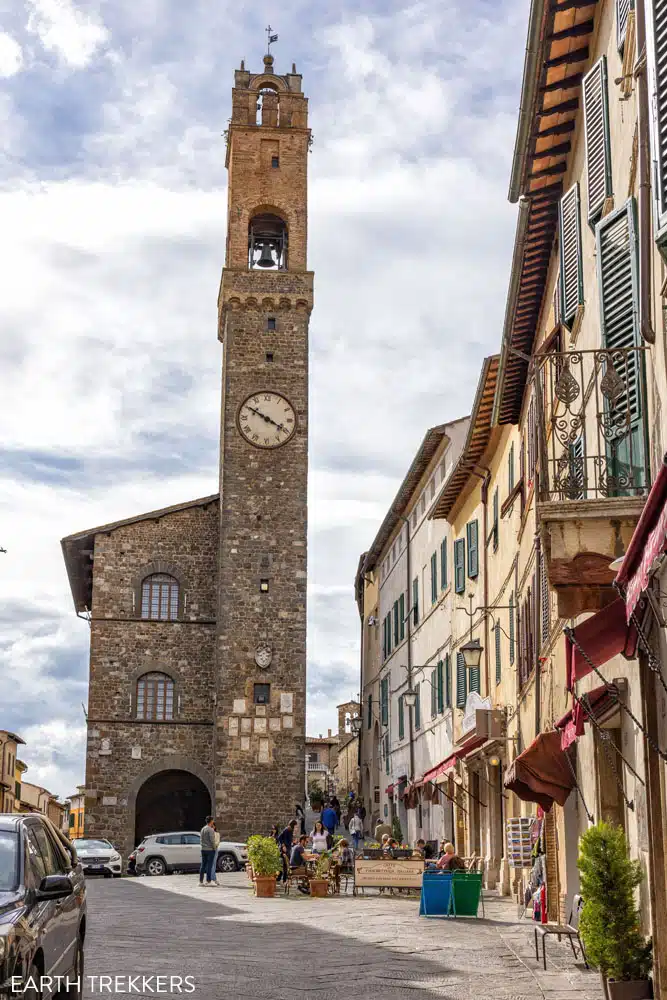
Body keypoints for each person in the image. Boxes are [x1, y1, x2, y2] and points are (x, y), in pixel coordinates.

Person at [199, 816, 218, 887]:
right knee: (209, 866)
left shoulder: (203, 829)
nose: (213, 822)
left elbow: (201, 839)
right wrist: (214, 848)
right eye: (213, 820)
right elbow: (212, 840)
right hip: (210, 850)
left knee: (203, 865)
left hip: (203, 849)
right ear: (211, 821)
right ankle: (208, 881)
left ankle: (200, 881)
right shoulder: (210, 830)